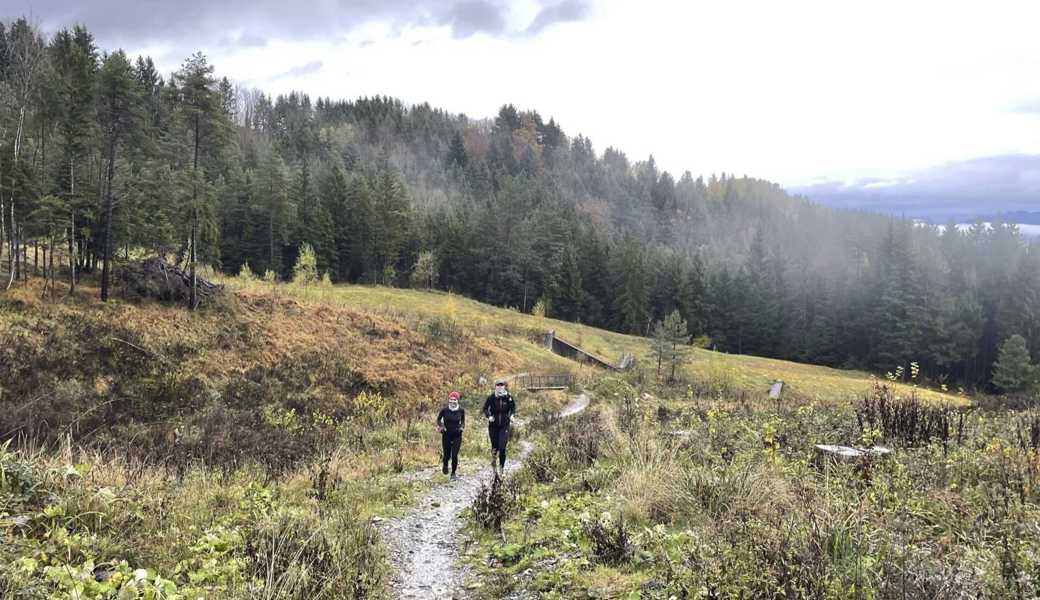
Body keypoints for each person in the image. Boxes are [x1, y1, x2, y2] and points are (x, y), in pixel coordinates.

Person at [482, 378, 516, 475]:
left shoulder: (509, 397)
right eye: (498, 385)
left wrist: (512, 415)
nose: (500, 387)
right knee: (495, 447)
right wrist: (489, 416)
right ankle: (493, 461)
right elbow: (485, 409)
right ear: (495, 387)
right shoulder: (491, 397)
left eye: (502, 385)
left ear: (504, 386)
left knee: (502, 447)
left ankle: (501, 468)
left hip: (505, 425)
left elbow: (513, 408)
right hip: (493, 426)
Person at [437, 391, 465, 479]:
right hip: (446, 435)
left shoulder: (461, 410)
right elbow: (438, 420)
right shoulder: (444, 410)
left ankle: (453, 473)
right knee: (447, 455)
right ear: (449, 400)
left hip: (457, 435)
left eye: (454, 400)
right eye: (451, 400)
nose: (453, 402)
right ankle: (445, 464)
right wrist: (441, 426)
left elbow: (463, 421)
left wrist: (461, 428)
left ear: (457, 401)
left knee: (454, 455)